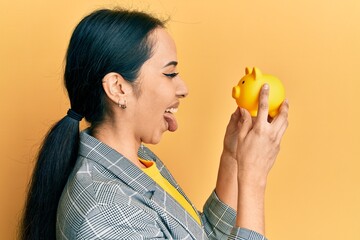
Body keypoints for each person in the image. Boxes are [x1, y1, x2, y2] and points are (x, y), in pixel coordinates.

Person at [20, 8, 289, 240]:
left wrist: (233, 157)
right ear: (117, 87)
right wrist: (253, 179)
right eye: (169, 73)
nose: (183, 88)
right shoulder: (106, 210)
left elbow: (201, 234)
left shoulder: (139, 162)